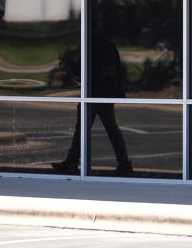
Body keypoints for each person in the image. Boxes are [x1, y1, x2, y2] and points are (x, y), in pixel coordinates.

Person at [52, 34, 132, 176]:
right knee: (111, 129)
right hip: (105, 94)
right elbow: (117, 71)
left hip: (93, 93)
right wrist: (117, 89)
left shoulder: (91, 46)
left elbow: (82, 69)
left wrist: (68, 64)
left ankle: (72, 162)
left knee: (83, 129)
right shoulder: (109, 46)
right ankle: (124, 163)